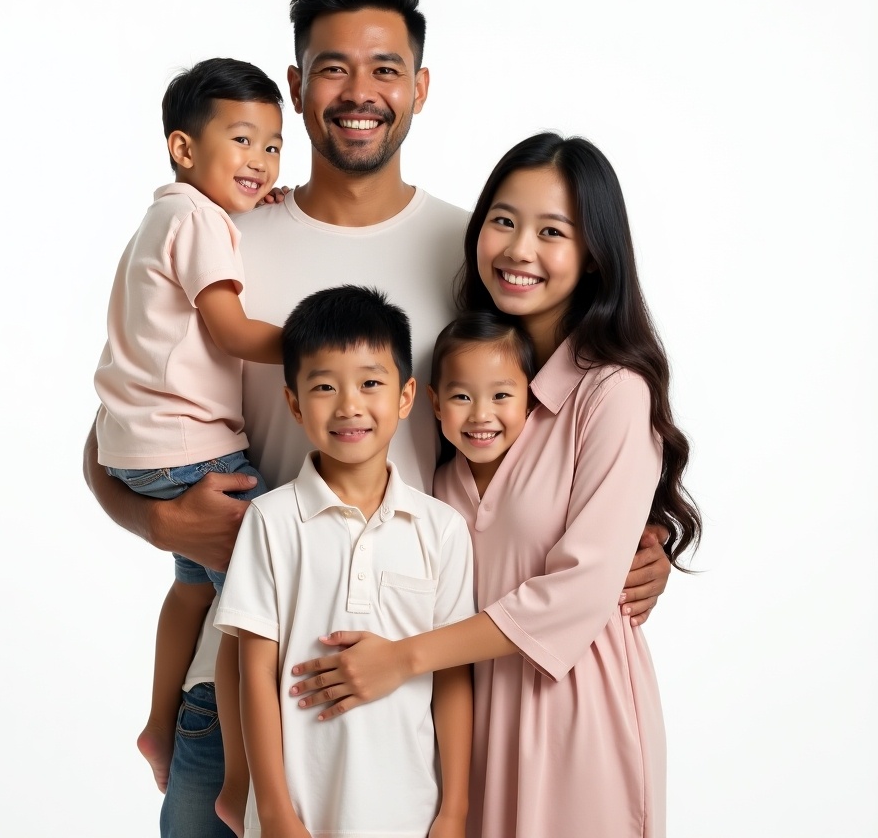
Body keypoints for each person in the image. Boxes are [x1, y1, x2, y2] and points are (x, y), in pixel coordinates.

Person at [81, 0, 674, 838]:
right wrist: (156, 521)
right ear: (294, 85)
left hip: (410, 700)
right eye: (332, 67)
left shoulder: (474, 253)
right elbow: (120, 423)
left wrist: (645, 532)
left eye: (386, 69)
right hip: (244, 672)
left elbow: (548, 423)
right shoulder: (224, 237)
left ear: (421, 87)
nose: (360, 93)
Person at [288, 133, 703, 837]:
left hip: (573, 708)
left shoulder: (612, 392)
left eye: (553, 231)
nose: (519, 250)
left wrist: (402, 660)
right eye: (503, 221)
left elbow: (581, 586)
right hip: (464, 711)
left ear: (595, 253)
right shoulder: (456, 385)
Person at [92, 57, 285, 814]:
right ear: (182, 147)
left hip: (139, 450)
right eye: (242, 142)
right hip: (195, 450)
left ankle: (156, 725)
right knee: (263, 594)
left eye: (273, 147)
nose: (261, 162)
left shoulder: (164, 215)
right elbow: (230, 329)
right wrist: (314, 345)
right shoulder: (202, 221)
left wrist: (256, 196)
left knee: (189, 586)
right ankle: (237, 780)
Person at [216, 285, 475, 838]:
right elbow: (253, 673)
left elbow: (452, 675)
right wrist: (277, 814)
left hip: (408, 813)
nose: (349, 405)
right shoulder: (271, 520)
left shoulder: (442, 529)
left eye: (371, 383)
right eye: (325, 386)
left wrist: (453, 812)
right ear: (293, 403)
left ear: (406, 397)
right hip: (300, 818)